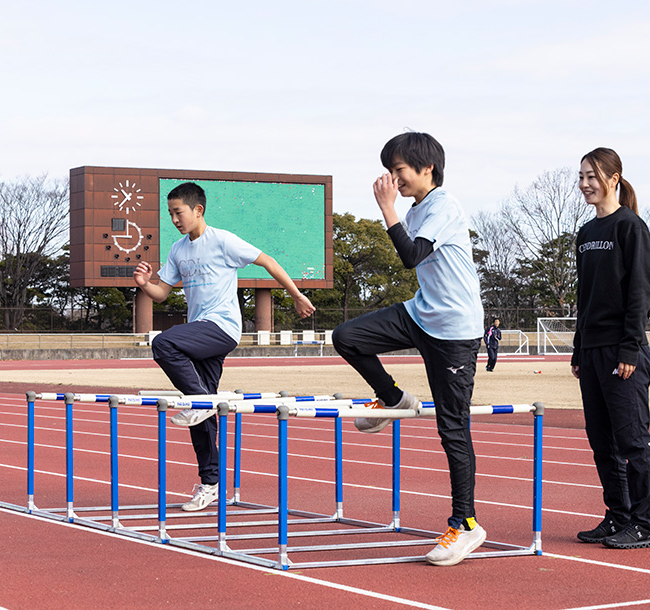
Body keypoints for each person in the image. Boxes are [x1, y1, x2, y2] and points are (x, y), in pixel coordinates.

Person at [332, 132, 486, 566]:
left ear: (426, 169)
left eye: (399, 170)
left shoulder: (444, 205)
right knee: (347, 337)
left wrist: (386, 209)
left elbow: (411, 256)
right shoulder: (418, 209)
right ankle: (395, 396)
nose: (393, 178)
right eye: (391, 170)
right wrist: (395, 211)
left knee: (451, 427)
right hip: (421, 314)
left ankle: (466, 524)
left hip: (454, 330)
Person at [133, 182, 315, 512]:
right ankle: (210, 484)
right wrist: (146, 284)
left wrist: (296, 293)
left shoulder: (223, 241)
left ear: (197, 210)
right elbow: (162, 293)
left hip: (222, 328)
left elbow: (267, 261)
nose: (174, 219)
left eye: (179, 212)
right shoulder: (178, 250)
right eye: (170, 213)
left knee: (163, 343)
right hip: (199, 334)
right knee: (201, 415)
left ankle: (200, 400)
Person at [570, 148, 650, 549]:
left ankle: (644, 524)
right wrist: (578, 347)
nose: (586, 183)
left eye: (593, 176)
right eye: (581, 176)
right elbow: (584, 295)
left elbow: (639, 294)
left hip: (622, 352)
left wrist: (629, 350)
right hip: (591, 351)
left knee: (632, 442)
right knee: (601, 443)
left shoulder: (631, 228)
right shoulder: (586, 234)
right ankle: (617, 516)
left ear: (614, 178)